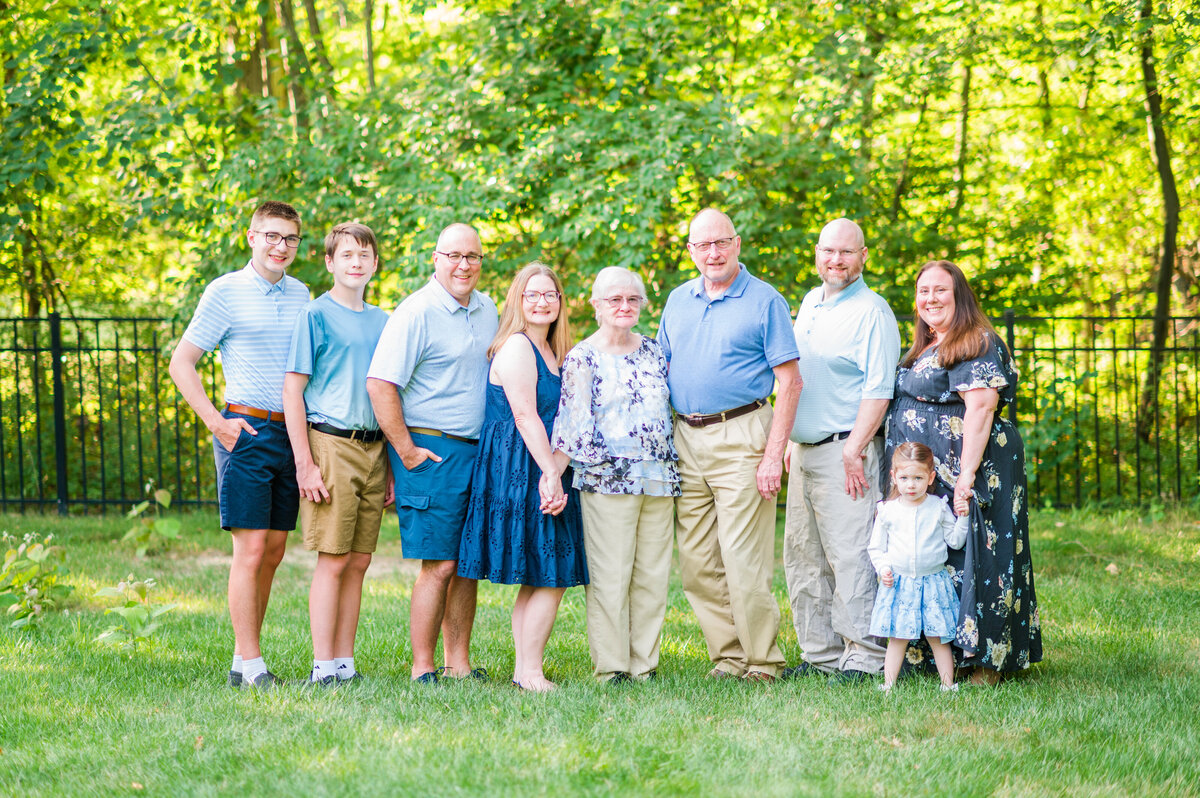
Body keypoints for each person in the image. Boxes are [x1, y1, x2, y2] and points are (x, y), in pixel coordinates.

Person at [168, 200, 311, 690]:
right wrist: (217, 423)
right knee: (250, 549)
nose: (281, 246)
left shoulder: (302, 296)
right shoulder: (225, 292)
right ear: (251, 237)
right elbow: (181, 363)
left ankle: (240, 658)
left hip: (291, 434)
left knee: (273, 550)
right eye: (271, 236)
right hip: (243, 430)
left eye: (290, 238)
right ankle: (252, 666)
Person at [657, 208, 803, 683]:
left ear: (737, 244)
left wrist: (772, 455)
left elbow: (791, 382)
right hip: (685, 438)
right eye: (703, 245)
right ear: (691, 251)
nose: (713, 253)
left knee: (743, 561)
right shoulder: (678, 300)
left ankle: (763, 661)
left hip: (742, 435)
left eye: (722, 243)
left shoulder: (765, 301)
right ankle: (729, 656)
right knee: (697, 564)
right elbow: (659, 370)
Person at [884, 259, 1043, 685]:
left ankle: (986, 660)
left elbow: (982, 406)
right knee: (941, 554)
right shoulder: (930, 343)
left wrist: (968, 475)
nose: (930, 299)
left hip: (974, 465)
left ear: (960, 296)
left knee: (980, 553)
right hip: (935, 469)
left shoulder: (978, 340)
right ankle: (941, 655)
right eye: (923, 291)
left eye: (940, 291)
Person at [365, 223, 498, 684]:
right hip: (431, 450)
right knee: (439, 564)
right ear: (436, 259)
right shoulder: (416, 312)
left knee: (466, 564)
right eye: (455, 255)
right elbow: (381, 383)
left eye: (473, 256)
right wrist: (405, 451)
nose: (464, 265)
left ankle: (458, 664)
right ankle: (424, 666)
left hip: (476, 452)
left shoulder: (488, 310)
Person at [458, 262, 588, 693]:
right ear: (517, 300)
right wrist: (551, 475)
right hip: (521, 469)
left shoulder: (554, 350)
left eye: (549, 294)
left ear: (559, 302)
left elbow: (567, 417)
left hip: (548, 465)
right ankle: (529, 672)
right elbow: (524, 415)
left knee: (544, 571)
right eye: (531, 294)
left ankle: (525, 668)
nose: (541, 302)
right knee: (552, 572)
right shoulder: (516, 347)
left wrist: (559, 467)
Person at [782, 218, 901, 684]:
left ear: (863, 256)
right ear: (817, 252)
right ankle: (821, 655)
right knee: (803, 557)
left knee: (851, 556)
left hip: (846, 454)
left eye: (847, 253)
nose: (836, 260)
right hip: (807, 451)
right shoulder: (811, 302)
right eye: (829, 251)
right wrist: (793, 438)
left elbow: (879, 388)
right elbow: (802, 380)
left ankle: (865, 657)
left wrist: (854, 450)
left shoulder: (873, 312)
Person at [551, 266, 679, 684]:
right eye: (614, 300)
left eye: (632, 300)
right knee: (611, 576)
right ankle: (612, 667)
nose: (624, 307)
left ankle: (644, 665)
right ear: (596, 306)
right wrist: (554, 476)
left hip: (659, 479)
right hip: (607, 481)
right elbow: (571, 425)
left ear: (642, 304)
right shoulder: (582, 357)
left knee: (651, 577)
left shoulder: (655, 351)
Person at [282, 223, 390, 686]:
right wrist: (305, 462)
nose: (356, 262)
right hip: (330, 443)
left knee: (361, 559)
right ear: (329, 262)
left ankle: (345, 662)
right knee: (334, 556)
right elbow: (293, 390)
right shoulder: (315, 315)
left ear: (375, 263)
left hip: (374, 447)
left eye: (364, 255)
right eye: (346, 255)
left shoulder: (384, 321)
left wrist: (390, 467)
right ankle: (322, 664)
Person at [868, 442, 969, 692]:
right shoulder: (888, 511)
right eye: (904, 478)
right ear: (894, 477)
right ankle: (888, 685)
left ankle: (948, 684)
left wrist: (963, 517)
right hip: (900, 584)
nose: (910, 484)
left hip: (933, 581)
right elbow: (876, 548)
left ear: (931, 477)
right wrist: (883, 569)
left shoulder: (937, 507)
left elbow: (955, 541)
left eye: (918, 478)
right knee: (898, 637)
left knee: (938, 637)